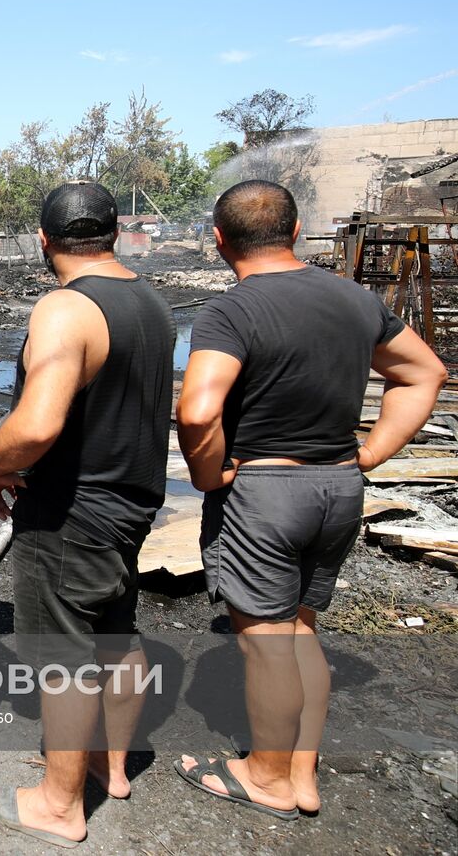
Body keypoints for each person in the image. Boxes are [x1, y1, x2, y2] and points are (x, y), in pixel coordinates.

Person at [175, 180, 445, 819]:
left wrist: (209, 473)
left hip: (265, 493)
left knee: (266, 639)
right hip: (337, 489)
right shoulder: (355, 300)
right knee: (301, 630)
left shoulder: (230, 311)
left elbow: (198, 408)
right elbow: (425, 371)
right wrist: (373, 453)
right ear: (296, 231)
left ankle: (266, 776)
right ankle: (301, 773)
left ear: (220, 241)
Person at [0, 181, 174, 848]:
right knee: (118, 637)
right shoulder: (150, 300)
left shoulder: (66, 309)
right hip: (130, 505)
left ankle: (59, 805)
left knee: (63, 657)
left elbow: (34, 427)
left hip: (72, 513)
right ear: (115, 234)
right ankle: (108, 766)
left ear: (43, 239)